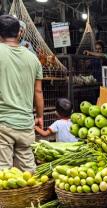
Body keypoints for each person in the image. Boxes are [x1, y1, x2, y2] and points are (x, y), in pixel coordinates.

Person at [0, 15, 44, 172]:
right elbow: (38, 91)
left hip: (3, 124)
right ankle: (30, 197)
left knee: (3, 172)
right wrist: (39, 117)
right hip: (25, 124)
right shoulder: (33, 59)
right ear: (19, 33)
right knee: (27, 172)